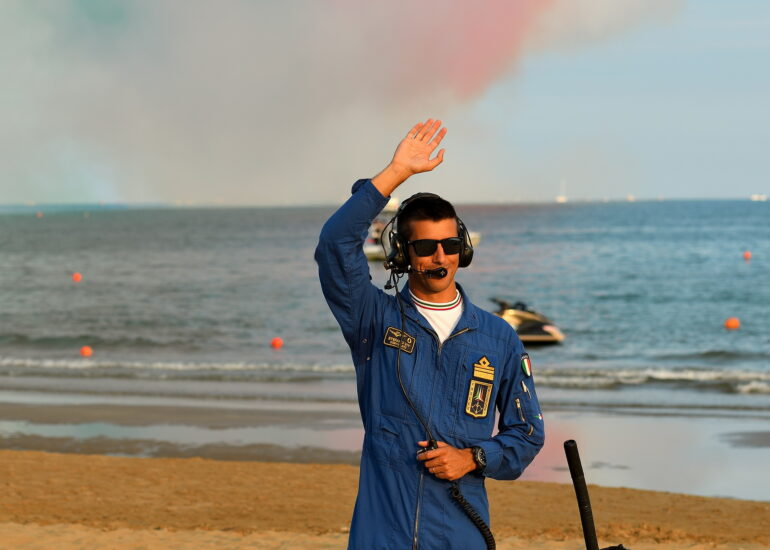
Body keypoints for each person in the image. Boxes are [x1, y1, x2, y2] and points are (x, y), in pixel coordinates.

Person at [315, 118, 544, 549]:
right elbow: (334, 246)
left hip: (460, 534)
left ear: (464, 249)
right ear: (402, 254)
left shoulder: (499, 339)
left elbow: (527, 434)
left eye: (450, 245)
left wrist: (473, 458)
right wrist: (396, 173)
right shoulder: (372, 320)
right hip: (382, 535)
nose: (441, 257)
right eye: (425, 247)